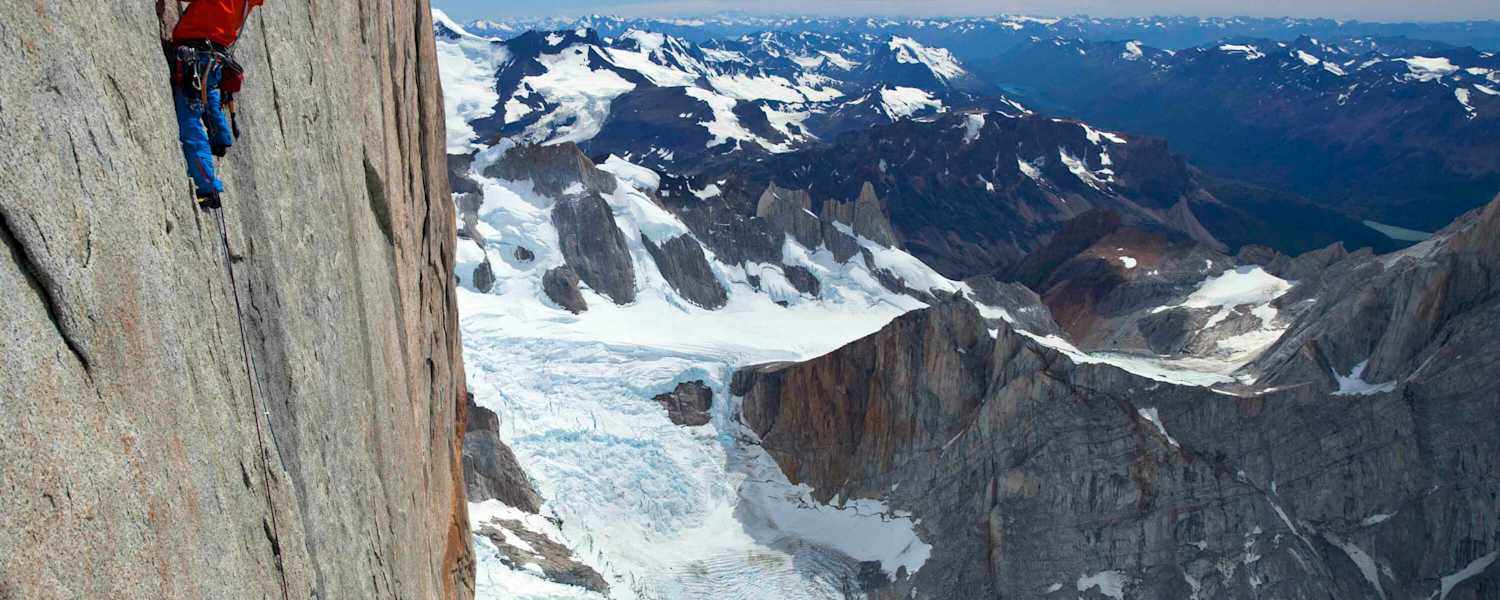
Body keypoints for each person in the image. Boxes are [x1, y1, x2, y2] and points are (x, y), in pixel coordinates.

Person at [170, 0, 263, 210]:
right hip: (214, 56)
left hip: (195, 53)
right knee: (208, 91)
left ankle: (207, 187)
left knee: (190, 120)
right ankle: (219, 137)